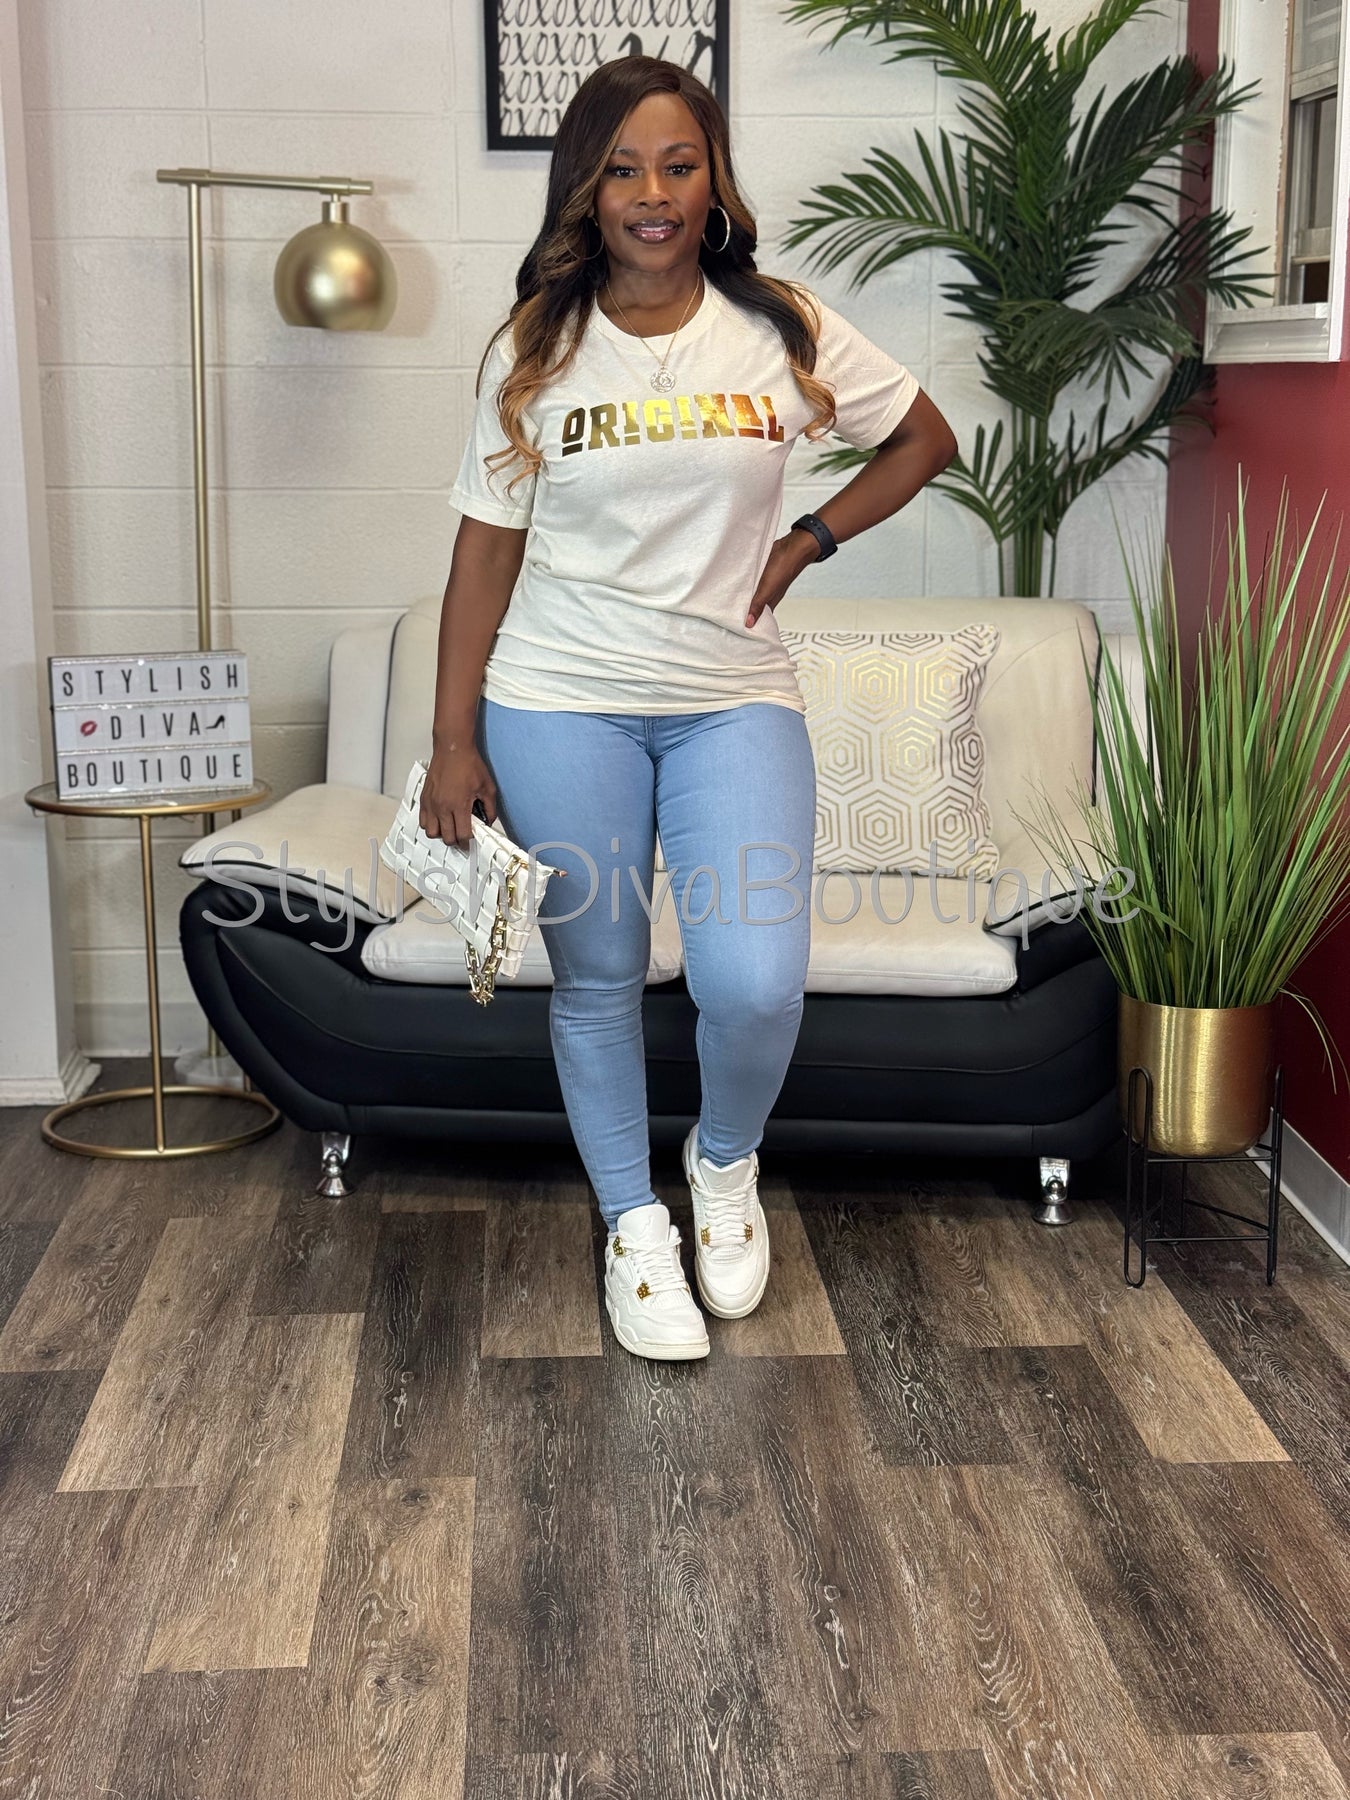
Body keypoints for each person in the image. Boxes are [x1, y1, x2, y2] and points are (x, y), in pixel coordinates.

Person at [424, 55, 958, 1363]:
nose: (653, 194)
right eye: (622, 170)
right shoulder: (534, 347)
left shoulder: (781, 327)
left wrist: (809, 540)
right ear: (585, 189)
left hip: (733, 698)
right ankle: (630, 1224)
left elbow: (924, 438)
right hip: (559, 699)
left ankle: (723, 1166)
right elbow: (484, 553)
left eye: (678, 164)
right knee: (597, 979)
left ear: (714, 180)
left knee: (754, 983)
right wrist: (452, 740)